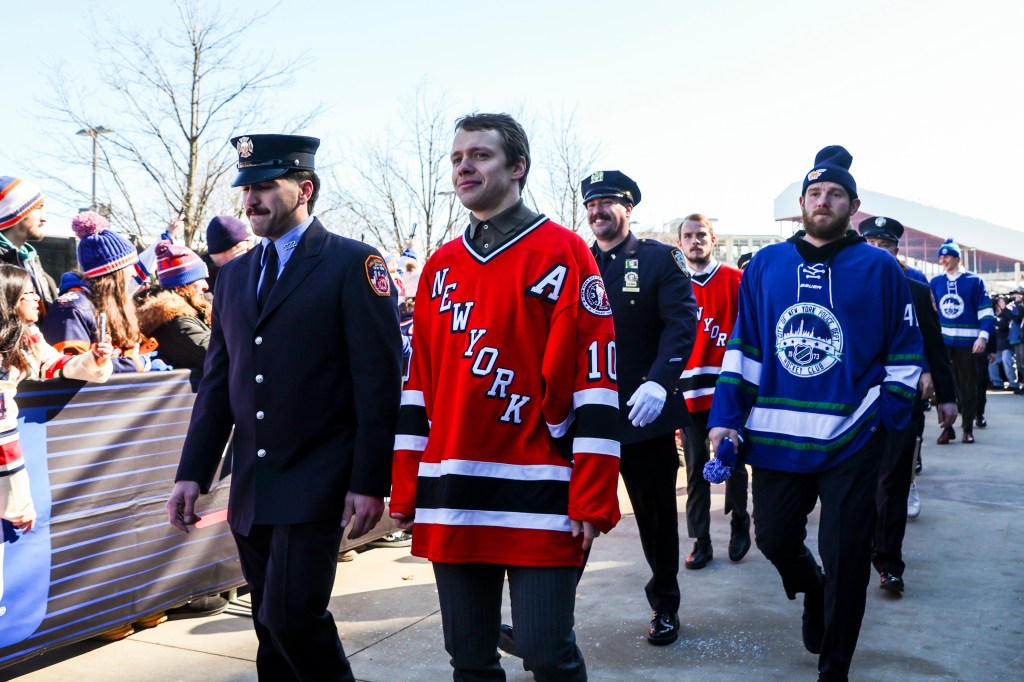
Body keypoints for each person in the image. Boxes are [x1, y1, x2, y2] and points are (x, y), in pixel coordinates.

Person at [391, 113, 621, 681]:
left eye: (481, 155)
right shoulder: (440, 264)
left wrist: (592, 495)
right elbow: (419, 384)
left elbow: (597, 380)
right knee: (468, 657)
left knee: (547, 654)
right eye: (456, 157)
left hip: (541, 492)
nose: (464, 166)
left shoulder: (564, 252)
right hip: (454, 490)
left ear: (517, 167)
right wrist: (405, 486)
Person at [166, 133, 403, 682]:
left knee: (293, 618)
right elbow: (219, 383)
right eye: (245, 188)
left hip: (318, 479)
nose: (250, 200)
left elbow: (378, 383)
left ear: (305, 189)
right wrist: (192, 473)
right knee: (270, 634)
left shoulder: (353, 262)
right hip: (253, 486)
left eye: (264, 187)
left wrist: (371, 481)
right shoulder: (234, 276)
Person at [708, 146, 924, 681]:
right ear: (802, 203)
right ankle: (813, 588)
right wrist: (726, 416)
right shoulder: (766, 265)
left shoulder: (879, 267)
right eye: (814, 193)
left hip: (853, 437)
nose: (822, 201)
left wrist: (888, 420)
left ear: (854, 206)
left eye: (834, 195)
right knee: (776, 539)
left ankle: (834, 669)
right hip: (777, 437)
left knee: (849, 556)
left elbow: (903, 349)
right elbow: (746, 347)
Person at [581, 171, 696, 644]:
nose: (597, 212)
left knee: (655, 519)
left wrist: (659, 382)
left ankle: (665, 606)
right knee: (575, 513)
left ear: (628, 209)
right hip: (587, 416)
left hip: (644, 415)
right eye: (591, 204)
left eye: (607, 202)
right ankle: (548, 616)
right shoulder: (573, 260)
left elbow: (682, 322)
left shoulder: (657, 260)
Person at [0, 264, 113, 597]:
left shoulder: (26, 334)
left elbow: (54, 365)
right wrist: (18, 500)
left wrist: (93, 358)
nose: (37, 298)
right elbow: (2, 432)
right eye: (28, 293)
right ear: (8, 301)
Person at [857, 216, 956, 594]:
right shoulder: (844, 289)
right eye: (872, 246)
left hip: (901, 400)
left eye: (886, 246)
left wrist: (946, 396)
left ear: (897, 252)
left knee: (894, 483)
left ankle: (889, 562)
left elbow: (934, 343)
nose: (879, 252)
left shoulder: (916, 290)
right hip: (854, 405)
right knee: (857, 482)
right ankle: (859, 547)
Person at [677, 214, 749, 571]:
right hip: (688, 394)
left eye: (700, 235)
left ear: (713, 239)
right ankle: (700, 540)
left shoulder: (737, 280)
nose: (695, 241)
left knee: (732, 463)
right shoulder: (674, 284)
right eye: (688, 236)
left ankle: (739, 523)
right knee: (694, 470)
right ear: (680, 243)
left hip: (727, 393)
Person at [42, 211, 157, 373]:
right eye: (129, 265)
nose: (133, 273)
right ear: (114, 271)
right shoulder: (71, 308)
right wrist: (136, 364)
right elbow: (71, 368)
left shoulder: (108, 303)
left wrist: (143, 356)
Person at [929, 238, 994, 444]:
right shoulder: (936, 282)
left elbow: (986, 312)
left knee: (968, 387)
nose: (943, 260)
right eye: (940, 257)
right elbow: (931, 312)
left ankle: (967, 428)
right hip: (943, 342)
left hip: (969, 343)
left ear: (957, 258)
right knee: (944, 385)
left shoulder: (975, 281)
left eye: (946, 256)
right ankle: (947, 428)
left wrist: (983, 337)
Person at [137, 242, 211, 370]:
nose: (206, 286)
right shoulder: (176, 323)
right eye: (200, 279)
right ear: (183, 285)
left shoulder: (192, 312)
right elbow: (217, 355)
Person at [0, 176, 59, 309]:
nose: (45, 218)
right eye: (38, 208)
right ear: (16, 213)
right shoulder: (2, 267)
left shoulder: (38, 269)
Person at [204, 215, 254, 289]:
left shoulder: (253, 273)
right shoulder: (198, 287)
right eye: (246, 242)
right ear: (223, 247)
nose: (251, 247)